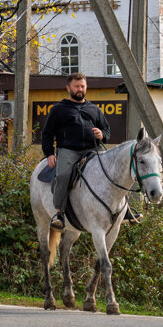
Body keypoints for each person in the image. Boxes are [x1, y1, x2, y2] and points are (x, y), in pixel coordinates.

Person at [41, 73, 110, 230]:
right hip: (69, 150)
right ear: (68, 88)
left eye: (82, 86)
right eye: (77, 86)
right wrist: (50, 153)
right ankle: (59, 213)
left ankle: (124, 211)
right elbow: (47, 134)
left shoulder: (94, 109)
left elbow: (106, 130)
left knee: (112, 169)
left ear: (86, 87)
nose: (80, 89)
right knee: (63, 175)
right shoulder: (58, 109)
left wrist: (102, 135)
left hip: (93, 149)